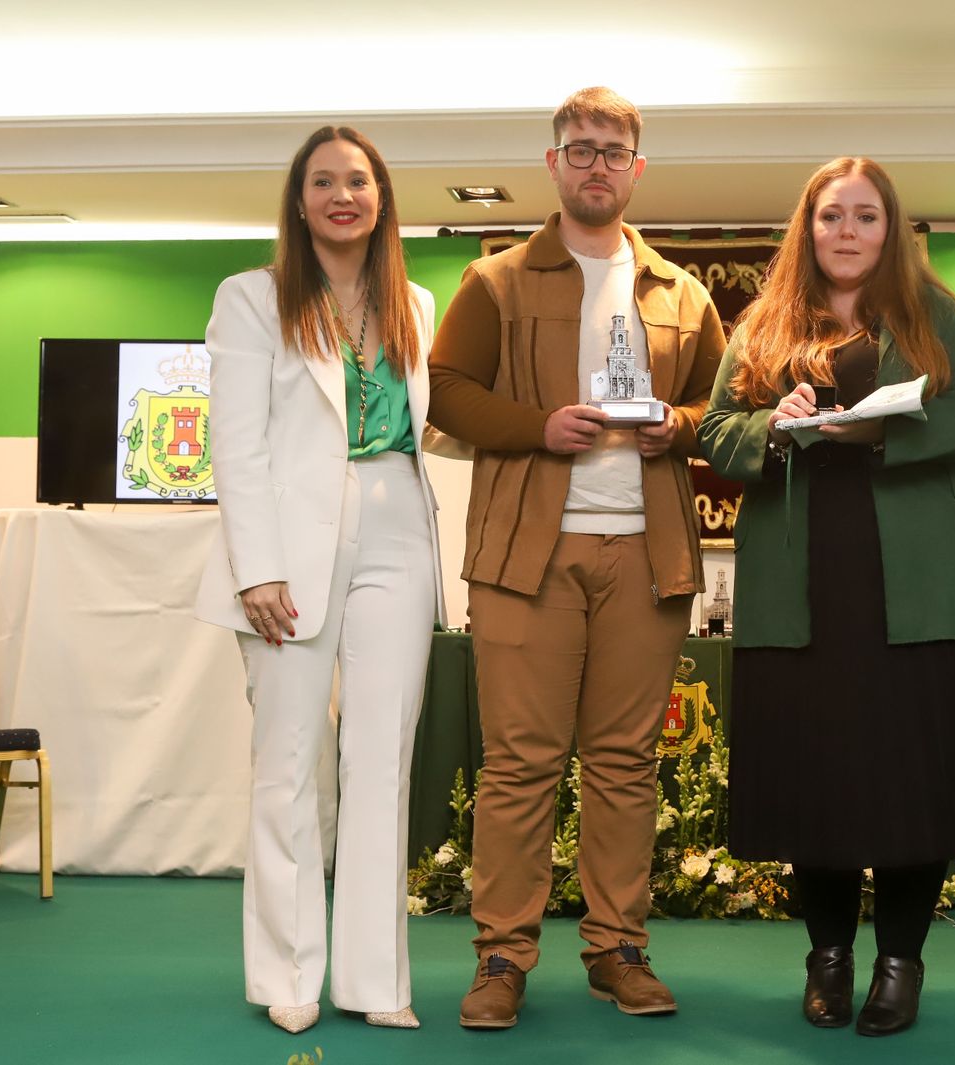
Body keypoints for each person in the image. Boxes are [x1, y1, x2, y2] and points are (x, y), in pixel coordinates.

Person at [426, 86, 726, 1029]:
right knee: (519, 763)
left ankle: (618, 950)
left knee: (625, 764)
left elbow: (722, 415)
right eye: (580, 149)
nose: (596, 164)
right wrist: (536, 427)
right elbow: (442, 392)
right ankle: (502, 956)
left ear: (637, 171)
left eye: (613, 151)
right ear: (552, 164)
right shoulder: (496, 281)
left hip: (648, 556)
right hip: (526, 555)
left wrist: (672, 426)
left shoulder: (684, 292)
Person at [698, 157, 955, 1037]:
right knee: (820, 783)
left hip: (921, 587)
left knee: (918, 780)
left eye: (866, 216)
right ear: (808, 227)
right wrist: (776, 423)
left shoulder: (935, 312)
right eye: (832, 215)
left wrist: (881, 429)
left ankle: (901, 962)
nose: (847, 231)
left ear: (891, 228)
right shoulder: (762, 325)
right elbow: (718, 433)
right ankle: (829, 958)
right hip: (804, 586)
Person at [195, 126, 446, 1034]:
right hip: (290, 546)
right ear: (299, 201)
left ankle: (376, 980)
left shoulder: (414, 300)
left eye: (360, 180)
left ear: (382, 197)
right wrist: (255, 567)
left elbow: (424, 430)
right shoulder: (251, 298)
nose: (344, 194)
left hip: (398, 530)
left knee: (383, 760)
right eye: (324, 181)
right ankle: (289, 970)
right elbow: (238, 442)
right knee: (290, 763)